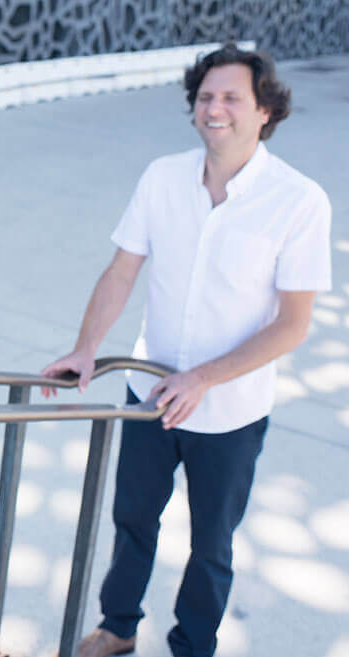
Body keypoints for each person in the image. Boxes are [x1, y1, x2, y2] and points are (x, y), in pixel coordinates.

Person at [41, 44, 331, 657]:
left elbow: (292, 325)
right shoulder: (163, 176)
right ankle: (118, 628)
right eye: (205, 97)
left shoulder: (299, 200)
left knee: (212, 544)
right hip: (148, 391)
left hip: (229, 411)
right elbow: (122, 270)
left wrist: (202, 378)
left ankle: (192, 647)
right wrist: (87, 348)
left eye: (231, 97)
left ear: (264, 111)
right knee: (132, 523)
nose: (214, 108)